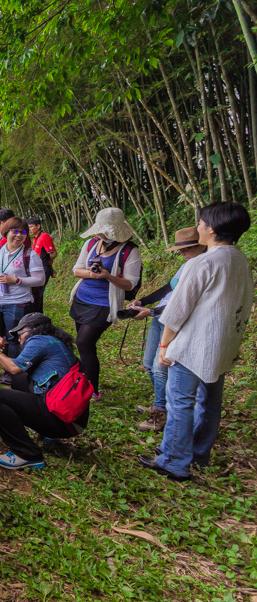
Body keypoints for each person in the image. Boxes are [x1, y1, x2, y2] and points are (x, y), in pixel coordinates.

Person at [138, 202, 253, 481]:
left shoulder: (202, 262)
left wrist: (164, 346)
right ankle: (198, 453)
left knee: (180, 401)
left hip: (194, 344)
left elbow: (176, 313)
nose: (198, 227)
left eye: (200, 223)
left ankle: (174, 460)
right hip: (222, 343)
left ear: (211, 229)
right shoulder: (239, 259)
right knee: (209, 402)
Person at [124, 227, 206, 432]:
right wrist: (143, 301)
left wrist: (151, 311)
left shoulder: (202, 267)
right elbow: (168, 288)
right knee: (149, 364)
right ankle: (163, 403)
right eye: (180, 250)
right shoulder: (186, 265)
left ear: (201, 245)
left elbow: (184, 303)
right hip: (161, 317)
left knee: (161, 368)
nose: (183, 253)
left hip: (174, 321)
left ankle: (161, 411)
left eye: (187, 248)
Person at [0, 313, 83, 470]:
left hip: (62, 420)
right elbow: (20, 368)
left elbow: (14, 368)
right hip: (72, 420)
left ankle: (27, 454)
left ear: (34, 329)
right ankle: (50, 435)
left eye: (20, 333)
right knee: (20, 380)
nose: (18, 338)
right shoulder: (54, 342)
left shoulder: (38, 340)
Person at [69, 207, 142, 392]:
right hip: (83, 298)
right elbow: (77, 270)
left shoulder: (130, 250)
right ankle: (84, 380)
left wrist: (108, 276)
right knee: (84, 344)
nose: (102, 234)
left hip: (104, 303)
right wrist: (93, 274)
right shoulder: (92, 243)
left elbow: (130, 284)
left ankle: (91, 390)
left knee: (84, 342)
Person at [0, 218, 45, 381]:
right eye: (14, 231)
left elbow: (40, 279)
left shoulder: (30, 254)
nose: (19, 235)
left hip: (17, 302)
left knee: (14, 338)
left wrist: (16, 280)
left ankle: (10, 372)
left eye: (23, 232)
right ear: (6, 232)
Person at [28, 216, 57, 314]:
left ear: (38, 226)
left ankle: (38, 315)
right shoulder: (36, 238)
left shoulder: (44, 236)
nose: (29, 229)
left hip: (43, 268)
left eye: (31, 227)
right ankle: (37, 313)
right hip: (38, 268)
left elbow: (53, 253)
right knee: (35, 292)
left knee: (38, 292)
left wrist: (48, 266)